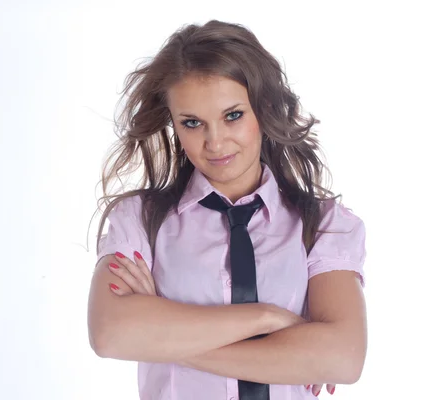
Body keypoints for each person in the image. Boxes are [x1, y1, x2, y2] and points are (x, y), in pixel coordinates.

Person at [87, 19, 367, 400]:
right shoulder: (140, 220)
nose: (215, 142)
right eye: (192, 123)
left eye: (233, 115)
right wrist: (270, 320)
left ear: (263, 109)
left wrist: (162, 337)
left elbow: (344, 359)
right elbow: (110, 334)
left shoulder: (323, 225)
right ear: (174, 124)